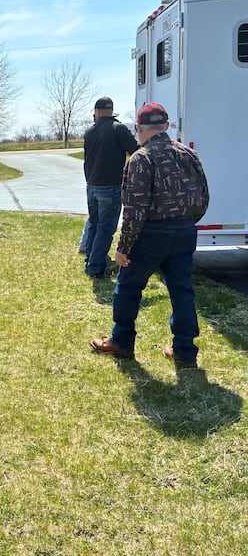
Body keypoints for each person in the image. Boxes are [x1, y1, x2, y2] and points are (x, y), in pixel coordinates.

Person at [92, 102, 209, 366]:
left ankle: (121, 341)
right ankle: (185, 350)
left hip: (152, 233)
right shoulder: (188, 154)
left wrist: (123, 248)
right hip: (184, 230)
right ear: (166, 126)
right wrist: (186, 223)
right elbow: (203, 196)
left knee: (128, 287)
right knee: (182, 290)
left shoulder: (141, 158)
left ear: (139, 129)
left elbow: (134, 209)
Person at [82, 97, 139, 278]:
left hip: (91, 185)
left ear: (97, 111)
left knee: (94, 224)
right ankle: (96, 267)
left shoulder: (90, 131)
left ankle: (91, 258)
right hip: (110, 186)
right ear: (111, 111)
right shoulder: (118, 128)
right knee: (106, 229)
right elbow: (136, 151)